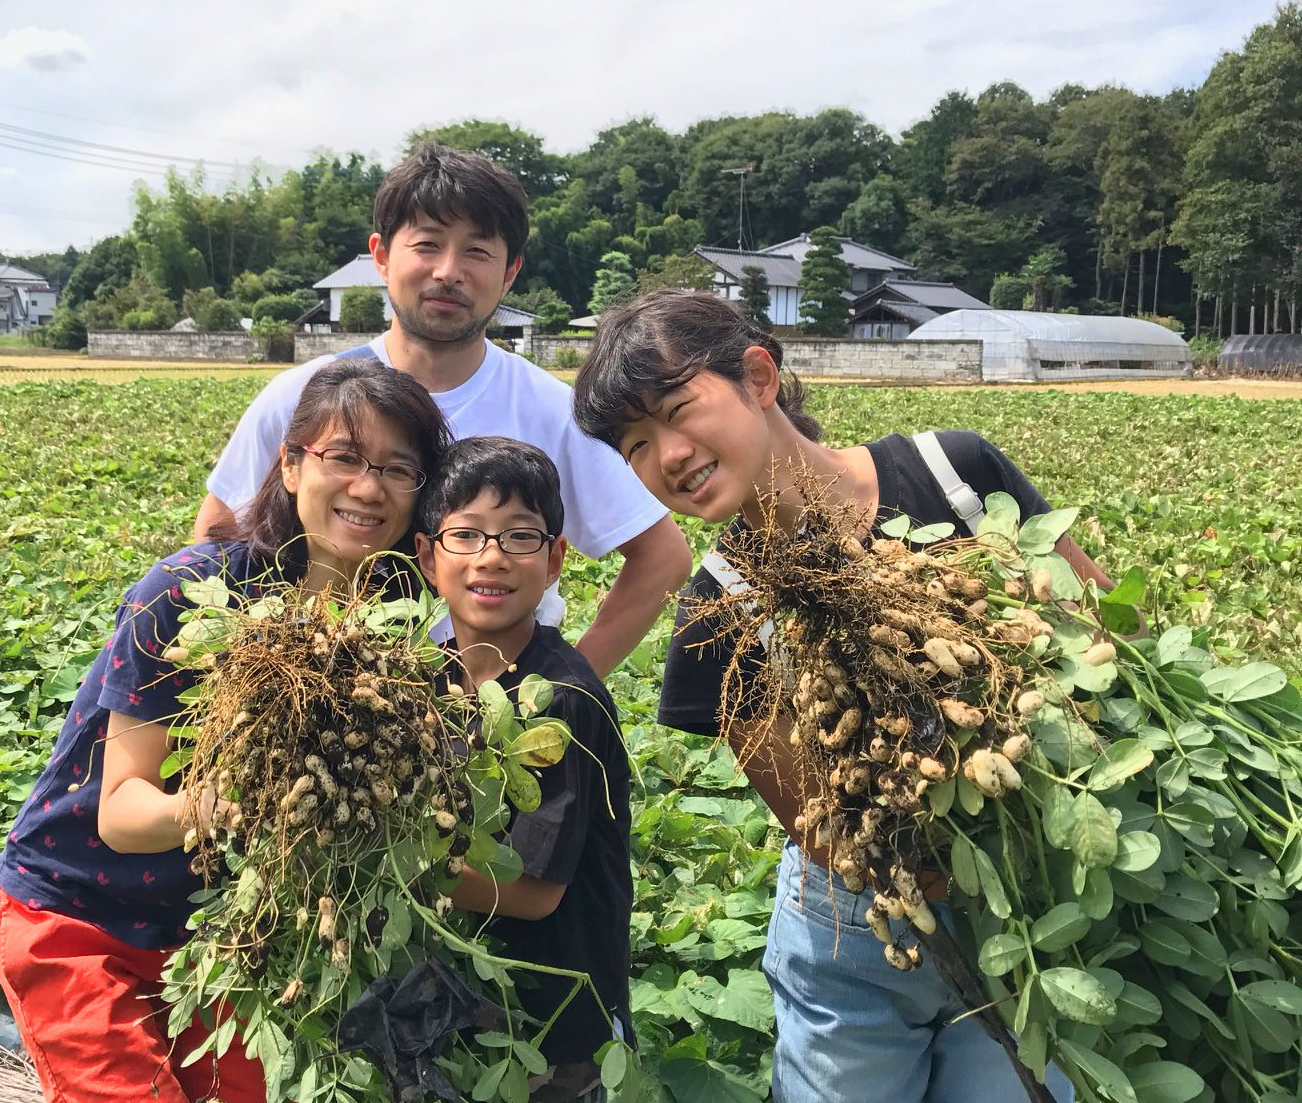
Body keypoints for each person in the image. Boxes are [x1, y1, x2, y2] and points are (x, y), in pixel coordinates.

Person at [572, 290, 1102, 1103]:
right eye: (636, 445)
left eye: (678, 412)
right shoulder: (719, 607)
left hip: (1024, 918)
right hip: (859, 939)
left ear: (757, 376)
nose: (667, 455)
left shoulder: (952, 472)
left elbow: (1097, 633)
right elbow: (833, 831)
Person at [0, 358, 450, 1103]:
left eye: (401, 469)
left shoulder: (388, 632)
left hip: (214, 935)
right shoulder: (189, 593)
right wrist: (244, 803)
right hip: (77, 912)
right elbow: (123, 812)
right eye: (344, 458)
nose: (369, 487)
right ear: (291, 465)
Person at [195, 143, 690, 679]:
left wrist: (559, 688)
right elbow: (219, 536)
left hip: (492, 729)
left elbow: (662, 558)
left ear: (510, 273)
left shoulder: (554, 411)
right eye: (427, 244)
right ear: (382, 256)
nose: (449, 272)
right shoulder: (303, 398)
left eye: (477, 252)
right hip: (321, 704)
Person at [414, 437, 632, 1103]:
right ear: (426, 556)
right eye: (467, 535)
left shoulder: (559, 701)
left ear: (554, 558)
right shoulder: (424, 680)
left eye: (518, 536)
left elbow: (533, 891)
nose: (491, 557)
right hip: (460, 1009)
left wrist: (383, 861)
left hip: (553, 1030)